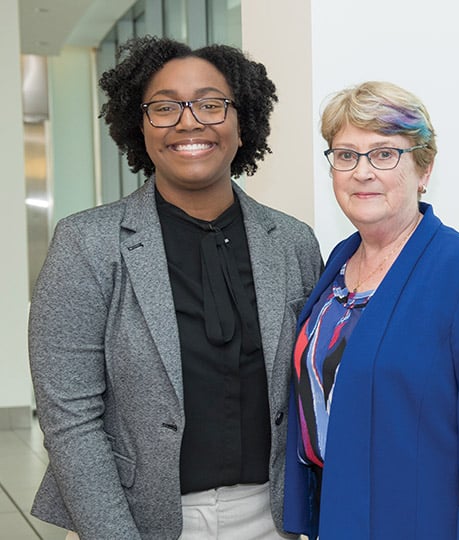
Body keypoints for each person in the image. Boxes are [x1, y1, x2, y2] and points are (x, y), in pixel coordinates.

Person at [28, 36, 322, 539]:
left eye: (211, 104)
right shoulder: (87, 244)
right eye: (164, 107)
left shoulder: (293, 242)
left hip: (277, 518)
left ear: (241, 119)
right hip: (143, 518)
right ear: (137, 125)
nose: (189, 122)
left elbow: (313, 393)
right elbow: (70, 419)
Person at [283, 81, 459, 539]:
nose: (362, 172)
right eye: (346, 154)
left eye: (384, 153)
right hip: (338, 517)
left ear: (424, 167)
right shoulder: (338, 260)